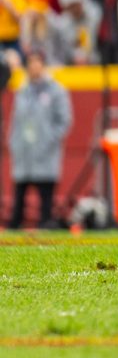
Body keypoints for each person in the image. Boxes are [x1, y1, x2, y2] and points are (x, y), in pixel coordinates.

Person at [7, 49, 72, 229]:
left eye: (37, 63)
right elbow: (16, 119)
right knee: (20, 193)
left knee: (45, 193)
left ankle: (45, 224)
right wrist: (13, 142)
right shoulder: (23, 90)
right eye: (31, 63)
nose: (34, 67)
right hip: (24, 150)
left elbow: (64, 120)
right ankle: (15, 224)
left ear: (43, 66)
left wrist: (49, 138)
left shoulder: (55, 91)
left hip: (45, 151)